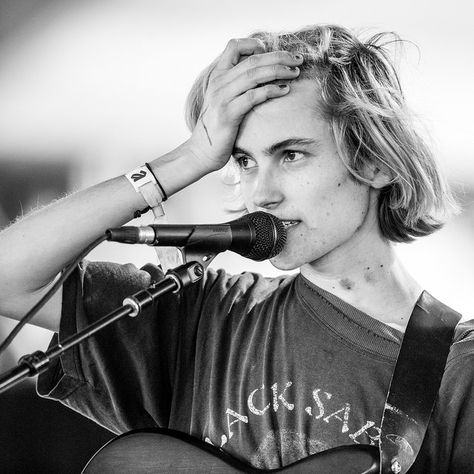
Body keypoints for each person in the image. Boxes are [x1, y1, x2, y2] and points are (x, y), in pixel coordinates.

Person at [0, 24, 473, 473]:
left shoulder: (460, 370)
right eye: (245, 161)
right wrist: (186, 160)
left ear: (375, 162)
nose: (260, 194)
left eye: (291, 155)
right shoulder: (203, 313)